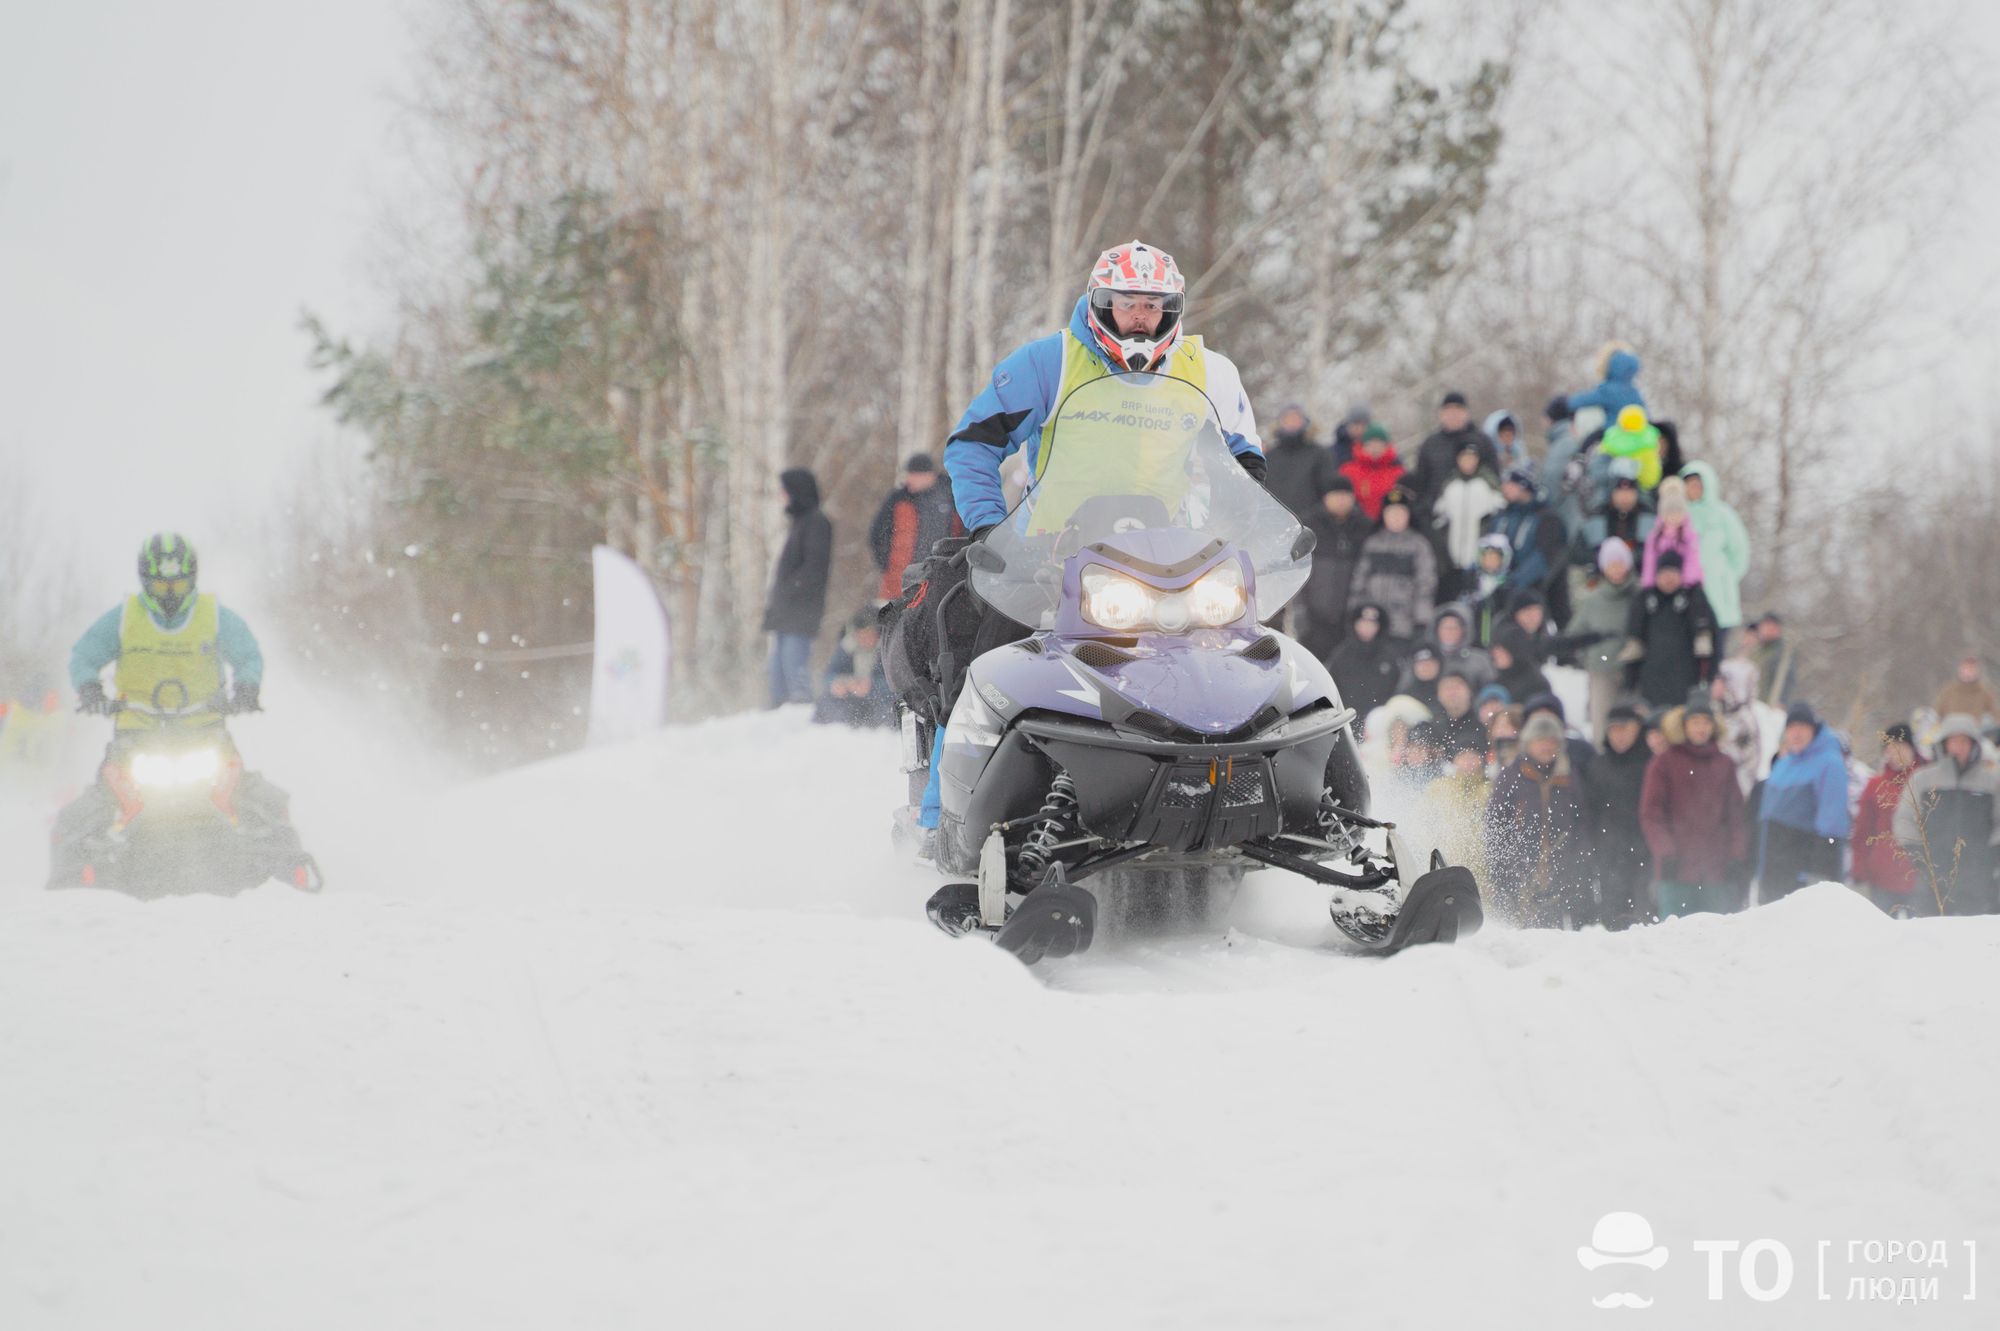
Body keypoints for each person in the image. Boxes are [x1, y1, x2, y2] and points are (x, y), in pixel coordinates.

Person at [924, 239, 1267, 831]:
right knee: (981, 669)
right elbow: (972, 445)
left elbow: (1246, 460)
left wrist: (1242, 526)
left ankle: (1251, 804)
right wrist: (991, 530)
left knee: (1244, 665)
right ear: (1099, 302)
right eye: (1127, 304)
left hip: (1173, 561)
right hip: (1050, 559)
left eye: (1154, 307)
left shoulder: (1209, 369)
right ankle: (943, 819)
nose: (1141, 318)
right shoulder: (1049, 361)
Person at [63, 533, 316, 888]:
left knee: (260, 801)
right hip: (135, 737)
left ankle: (289, 873)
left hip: (206, 733)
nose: (170, 593)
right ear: (145, 580)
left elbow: (247, 656)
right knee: (85, 813)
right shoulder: (122, 619)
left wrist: (246, 687)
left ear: (192, 578)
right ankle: (72, 883)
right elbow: (84, 656)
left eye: (178, 583)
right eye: (161, 584)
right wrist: (90, 689)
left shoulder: (215, 617)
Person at [1640, 694, 1749, 917]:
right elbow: (1651, 814)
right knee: (1674, 941)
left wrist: (1736, 855)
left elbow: (1736, 816)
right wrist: (1665, 851)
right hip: (1675, 871)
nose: (1701, 728)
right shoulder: (1664, 763)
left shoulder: (1724, 764)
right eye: (1695, 722)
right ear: (1684, 726)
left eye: (1705, 722)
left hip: (1716, 873)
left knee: (1715, 943)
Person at [1485, 710, 1596, 928]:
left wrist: (1581, 858)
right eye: (1540, 741)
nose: (1546, 746)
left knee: (1558, 934)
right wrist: (1501, 868)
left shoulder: (1568, 775)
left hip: (1562, 869)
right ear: (1528, 743)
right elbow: (1495, 823)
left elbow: (1582, 821)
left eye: (1551, 741)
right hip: (1519, 869)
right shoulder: (1511, 776)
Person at [1894, 713, 2000, 915]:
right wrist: (1915, 850)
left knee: (1976, 938)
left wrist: (1994, 853)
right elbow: (1905, 817)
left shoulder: (1991, 782)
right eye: (1953, 741)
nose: (1958, 747)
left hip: (1979, 877)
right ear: (1943, 745)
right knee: (1930, 938)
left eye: (1963, 741)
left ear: (1974, 745)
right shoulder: (1923, 780)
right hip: (1932, 876)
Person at [1757, 701, 1852, 902]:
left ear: (1814, 730)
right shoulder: (1784, 762)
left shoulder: (1829, 763)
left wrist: (1820, 876)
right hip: (1773, 868)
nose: (1796, 733)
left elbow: (1832, 823)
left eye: (1802, 727)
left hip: (1802, 872)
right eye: (1791, 728)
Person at [763, 467, 834, 707]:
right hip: (786, 612)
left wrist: (790, 590)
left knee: (795, 669)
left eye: (785, 490)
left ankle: (801, 713)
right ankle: (778, 712)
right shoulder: (799, 522)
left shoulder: (816, 522)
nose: (782, 495)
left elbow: (814, 567)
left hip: (800, 611)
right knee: (777, 670)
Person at [1564, 538, 1640, 743]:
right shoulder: (1593, 600)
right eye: (1610, 564)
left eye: (1620, 563)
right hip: (1601, 671)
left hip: (1633, 671)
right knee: (1602, 726)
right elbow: (1574, 636)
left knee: (1633, 725)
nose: (1616, 570)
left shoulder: (1639, 595)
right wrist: (1589, 657)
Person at [1622, 551, 1717, 709]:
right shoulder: (1644, 600)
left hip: (1686, 681)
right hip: (1650, 682)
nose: (1668, 578)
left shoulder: (1695, 600)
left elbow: (1711, 642)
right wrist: (1630, 682)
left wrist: (1710, 677)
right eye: (1663, 573)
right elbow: (1633, 642)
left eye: (1673, 572)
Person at [1591, 702, 1655, 928]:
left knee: (1645, 916)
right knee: (1613, 918)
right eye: (1614, 729)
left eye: (1625, 728)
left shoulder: (1651, 765)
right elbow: (1590, 812)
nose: (1619, 736)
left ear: (1638, 729)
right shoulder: (1597, 766)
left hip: (1646, 853)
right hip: (1610, 854)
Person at [1852, 723, 1924, 916]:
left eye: (1899, 747)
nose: (1894, 753)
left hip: (1918, 875)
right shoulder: (1876, 785)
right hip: (1882, 875)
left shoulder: (1927, 783)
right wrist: (1859, 869)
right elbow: (1862, 831)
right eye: (1889, 749)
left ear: (1911, 749)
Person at [1349, 483, 1436, 640]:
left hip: (1404, 626)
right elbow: (1359, 582)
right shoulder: (1372, 543)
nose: (1396, 517)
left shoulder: (1419, 545)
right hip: (1372, 625)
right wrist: (1355, 614)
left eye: (1401, 512)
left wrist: (1421, 621)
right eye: (1391, 512)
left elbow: (1425, 585)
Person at [1300, 474, 1374, 659]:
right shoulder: (1309, 525)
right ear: (1326, 497)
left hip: (1350, 617)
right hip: (1314, 615)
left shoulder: (1365, 526)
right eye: (1336, 495)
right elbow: (1297, 570)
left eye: (1345, 495)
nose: (1341, 500)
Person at [1679, 462, 1750, 647]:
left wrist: (1725, 577)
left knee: (1715, 653)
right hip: (1686, 596)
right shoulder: (1678, 515)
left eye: (1698, 485)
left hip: (1718, 598)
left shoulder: (1723, 515)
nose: (1693, 490)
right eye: (1689, 485)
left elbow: (1739, 551)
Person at [868, 455, 958, 601]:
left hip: (939, 582)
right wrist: (889, 567)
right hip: (899, 584)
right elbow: (877, 535)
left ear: (928, 475)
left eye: (913, 474)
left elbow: (961, 535)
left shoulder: (951, 497)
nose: (909, 479)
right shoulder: (898, 499)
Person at [1484, 467, 1568, 610]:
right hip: (1499, 590)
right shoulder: (1501, 516)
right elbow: (1487, 549)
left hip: (1535, 593)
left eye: (1510, 483)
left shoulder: (1547, 519)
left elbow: (1544, 558)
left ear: (1523, 486)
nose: (1504, 488)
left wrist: (1513, 583)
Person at [1431, 440, 1505, 601]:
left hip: (1478, 558)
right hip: (1452, 558)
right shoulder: (1451, 485)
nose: (1468, 462)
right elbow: (1439, 516)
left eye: (1472, 458)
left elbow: (1498, 512)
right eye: (1464, 457)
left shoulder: (1486, 485)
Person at [1410, 391, 1498, 511]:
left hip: (1476, 512)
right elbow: (1421, 483)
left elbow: (1494, 477)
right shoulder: (1430, 444)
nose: (1453, 415)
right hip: (1437, 514)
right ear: (1441, 414)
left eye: (1458, 410)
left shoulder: (1482, 442)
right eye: (1449, 410)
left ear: (1466, 413)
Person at [1326, 603, 1404, 727]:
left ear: (1380, 627)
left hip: (1381, 725)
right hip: (1346, 723)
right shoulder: (1340, 656)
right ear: (1354, 625)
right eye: (1363, 623)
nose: (1367, 628)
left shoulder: (1391, 658)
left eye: (1372, 624)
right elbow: (1330, 691)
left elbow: (1398, 693)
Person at [812, 610, 894, 728]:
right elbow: (828, 674)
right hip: (851, 695)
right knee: (826, 702)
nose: (865, 639)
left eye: (868, 634)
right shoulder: (846, 648)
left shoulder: (887, 650)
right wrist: (836, 683)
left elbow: (897, 681)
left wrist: (873, 685)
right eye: (861, 635)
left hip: (878, 696)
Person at [1574, 458, 1654, 567]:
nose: (1625, 496)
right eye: (1620, 491)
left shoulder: (1648, 517)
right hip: (1602, 575)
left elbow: (1655, 551)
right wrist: (1608, 561)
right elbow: (1579, 553)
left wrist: (1629, 559)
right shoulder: (1597, 516)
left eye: (1630, 491)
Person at [1265, 404, 1333, 524]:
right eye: (1287, 419)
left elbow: (1328, 492)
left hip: (1312, 525)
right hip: (1276, 525)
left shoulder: (1319, 454)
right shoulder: (1269, 457)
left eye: (1296, 418)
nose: (1292, 423)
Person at [1639, 475, 1705, 589]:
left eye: (1677, 512)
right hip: (1660, 586)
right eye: (1669, 513)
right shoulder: (1655, 537)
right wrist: (1649, 583)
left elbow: (1693, 560)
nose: (1673, 517)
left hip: (1684, 585)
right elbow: (1649, 561)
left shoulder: (1689, 535)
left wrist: (1689, 582)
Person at [1564, 342, 1646, 424]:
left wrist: (1564, 402)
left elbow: (1576, 402)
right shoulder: (1635, 393)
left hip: (1613, 434)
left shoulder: (1607, 391)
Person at [1338, 423, 1406, 521]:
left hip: (1388, 526)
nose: (1375, 448)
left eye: (1379, 444)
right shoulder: (1348, 471)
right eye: (1370, 444)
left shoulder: (1398, 473)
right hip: (1357, 526)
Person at [1598, 404, 1664, 491]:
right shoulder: (1648, 443)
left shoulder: (1610, 440)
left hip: (1633, 491)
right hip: (1617, 490)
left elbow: (1650, 478)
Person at [1489, 627, 1552, 707]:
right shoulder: (1496, 681)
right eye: (1494, 650)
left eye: (1500, 650)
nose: (1494, 655)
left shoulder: (1536, 683)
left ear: (1514, 652)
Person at [1749, 613, 1802, 707]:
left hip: (1769, 704)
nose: (1765, 631)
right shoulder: (1758, 651)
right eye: (1763, 627)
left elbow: (1787, 678)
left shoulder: (1782, 652)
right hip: (1754, 702)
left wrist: (1781, 701)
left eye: (1770, 627)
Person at [1433, 670, 1487, 757]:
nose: (1452, 693)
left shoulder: (1484, 725)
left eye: (1457, 687)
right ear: (1438, 695)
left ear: (1469, 691)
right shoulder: (1434, 728)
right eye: (1447, 688)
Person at [1933, 656, 2000, 724]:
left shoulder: (1985, 693)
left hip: (1976, 732)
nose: (1968, 671)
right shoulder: (1948, 691)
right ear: (1960, 670)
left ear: (1977, 671)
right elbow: (1937, 715)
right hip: (1952, 731)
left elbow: (1995, 716)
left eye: (1971, 669)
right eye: (1966, 668)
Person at [1397, 646, 1445, 714]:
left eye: (1430, 663)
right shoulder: (1405, 698)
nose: (1426, 667)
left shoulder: (1449, 691)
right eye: (1421, 664)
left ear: (1439, 665)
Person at [1482, 409, 1529, 473]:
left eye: (1511, 435)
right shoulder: (1489, 455)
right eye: (1505, 435)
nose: (1508, 439)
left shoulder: (1518, 452)